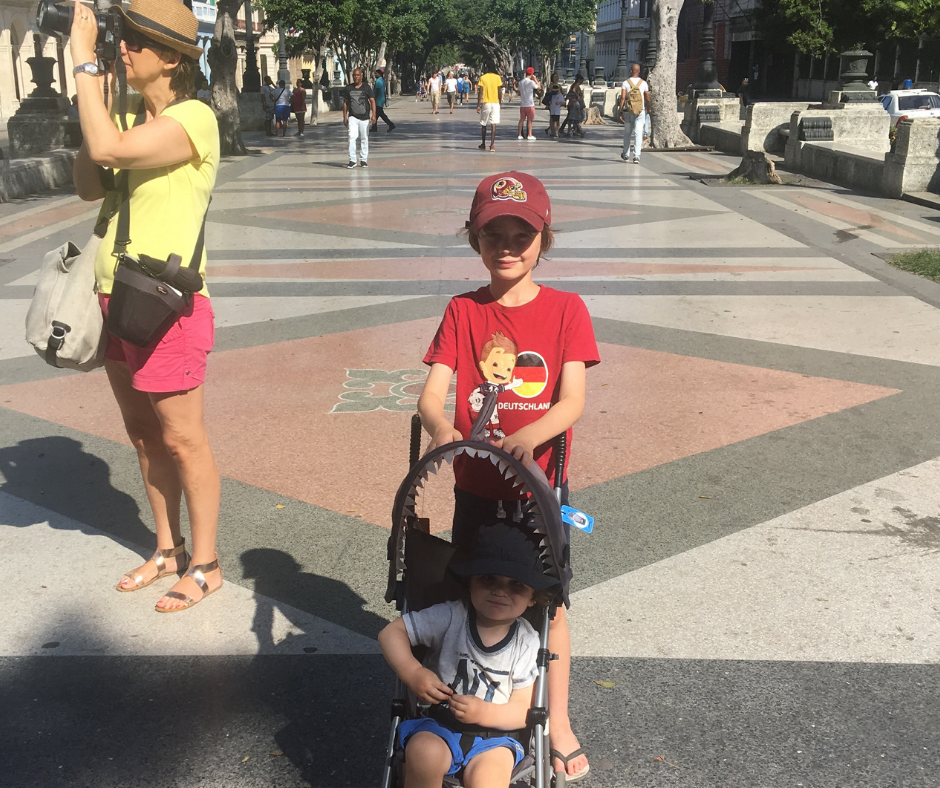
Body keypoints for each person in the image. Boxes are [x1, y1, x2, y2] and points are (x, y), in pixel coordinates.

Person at [417, 171, 599, 783]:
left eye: (522, 233)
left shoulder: (567, 310)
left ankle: (558, 716)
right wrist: (442, 427)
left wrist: (529, 436)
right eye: (494, 232)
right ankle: (462, 695)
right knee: (465, 588)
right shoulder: (462, 311)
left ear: (543, 238)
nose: (508, 245)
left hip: (538, 492)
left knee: (548, 603)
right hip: (475, 486)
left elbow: (571, 400)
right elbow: (431, 394)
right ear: (475, 237)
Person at [70, 0, 223, 612]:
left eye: (134, 41)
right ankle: (167, 549)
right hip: (117, 297)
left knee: (184, 439)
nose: (122, 49)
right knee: (141, 435)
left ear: (172, 58)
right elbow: (89, 180)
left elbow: (108, 151)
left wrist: (81, 64)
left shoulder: (196, 118)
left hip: (169, 306)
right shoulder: (129, 117)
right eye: (120, 39)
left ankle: (207, 564)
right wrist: (99, 106)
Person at [378, 523, 554, 788]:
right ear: (470, 582)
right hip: (437, 723)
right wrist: (413, 673)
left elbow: (522, 711)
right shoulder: (451, 616)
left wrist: (485, 713)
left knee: (489, 780)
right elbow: (390, 634)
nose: (500, 591)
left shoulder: (526, 642)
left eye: (515, 584)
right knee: (424, 754)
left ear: (532, 598)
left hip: (495, 737)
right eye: (488, 578)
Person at [342, 67, 376, 168]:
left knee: (364, 138)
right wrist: (345, 116)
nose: (356, 77)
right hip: (353, 117)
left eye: (358, 75)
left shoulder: (366, 87)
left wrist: (373, 115)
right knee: (351, 137)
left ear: (361, 76)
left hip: (365, 117)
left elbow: (372, 101)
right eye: (354, 75)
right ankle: (352, 160)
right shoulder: (348, 88)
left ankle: (363, 160)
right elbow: (345, 103)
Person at [619, 62, 651, 164]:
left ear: (631, 71)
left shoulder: (625, 83)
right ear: (639, 71)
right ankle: (636, 156)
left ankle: (626, 154)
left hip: (628, 111)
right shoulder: (644, 83)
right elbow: (647, 98)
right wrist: (649, 109)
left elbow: (623, 97)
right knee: (638, 132)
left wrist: (620, 110)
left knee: (627, 133)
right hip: (640, 111)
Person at [476, 71, 503, 151]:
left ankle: (483, 143)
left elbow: (480, 92)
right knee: (493, 124)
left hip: (486, 102)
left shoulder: (483, 77)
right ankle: (492, 145)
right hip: (495, 103)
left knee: (484, 123)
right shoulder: (497, 77)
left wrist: (478, 104)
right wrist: (500, 102)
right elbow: (499, 91)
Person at [516, 66, 540, 140]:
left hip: (522, 104)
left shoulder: (521, 82)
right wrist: (535, 79)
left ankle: (520, 134)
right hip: (530, 104)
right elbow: (539, 87)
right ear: (532, 74)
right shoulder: (531, 82)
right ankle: (529, 134)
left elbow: (519, 91)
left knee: (521, 119)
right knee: (530, 120)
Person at [371, 68, 396, 132]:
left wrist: (374, 98)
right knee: (379, 114)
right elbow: (384, 91)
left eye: (376, 73)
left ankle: (391, 125)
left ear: (379, 74)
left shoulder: (378, 81)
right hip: (381, 99)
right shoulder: (382, 81)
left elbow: (378, 91)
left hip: (378, 100)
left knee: (380, 114)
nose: (375, 75)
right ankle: (374, 127)